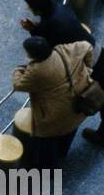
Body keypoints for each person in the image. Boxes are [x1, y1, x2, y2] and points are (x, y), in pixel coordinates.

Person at [21, 0, 104, 146]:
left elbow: (45, 48)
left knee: (97, 95)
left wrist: (32, 30)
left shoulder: (49, 25)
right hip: (97, 50)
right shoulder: (61, 8)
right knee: (102, 90)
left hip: (91, 59)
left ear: (37, 9)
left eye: (31, 8)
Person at [11, 37, 97, 169]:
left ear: (32, 54)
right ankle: (62, 153)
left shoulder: (37, 71)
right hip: (80, 104)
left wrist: (18, 69)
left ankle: (48, 170)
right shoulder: (64, 50)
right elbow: (88, 46)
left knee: (47, 143)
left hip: (58, 115)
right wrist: (88, 70)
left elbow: (18, 85)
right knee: (70, 130)